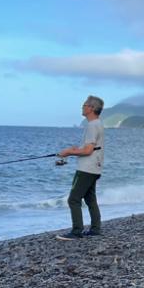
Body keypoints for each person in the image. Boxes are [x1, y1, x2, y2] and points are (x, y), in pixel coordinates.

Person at [56, 95, 105, 240]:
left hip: (86, 168)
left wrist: (68, 152)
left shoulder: (92, 125)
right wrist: (76, 149)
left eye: (84, 105)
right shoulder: (97, 124)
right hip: (94, 167)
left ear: (92, 108)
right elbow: (92, 148)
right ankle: (95, 229)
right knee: (90, 199)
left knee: (73, 199)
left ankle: (76, 232)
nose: (82, 107)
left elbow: (88, 151)